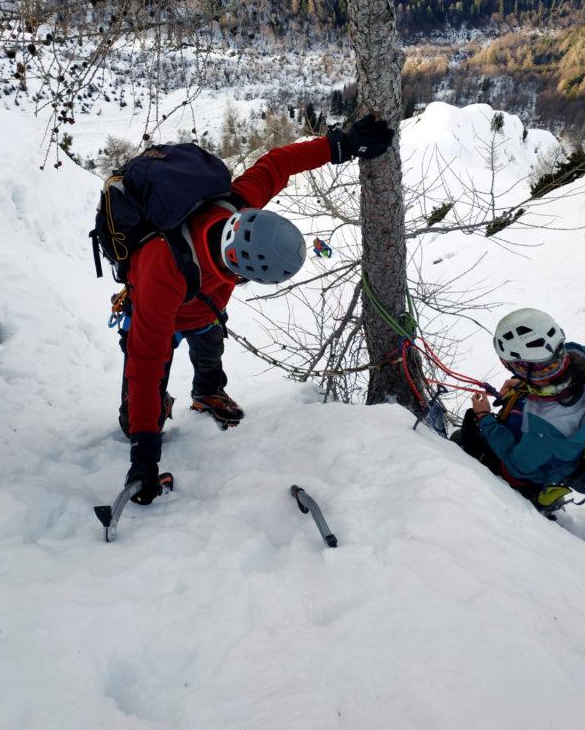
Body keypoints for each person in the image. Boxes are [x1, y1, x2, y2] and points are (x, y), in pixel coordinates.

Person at [121, 115, 393, 504]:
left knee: (210, 350)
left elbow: (278, 164)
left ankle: (208, 392)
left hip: (205, 313)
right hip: (157, 315)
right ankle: (145, 412)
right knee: (140, 404)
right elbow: (145, 360)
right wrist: (144, 456)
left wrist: (342, 146)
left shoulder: (240, 204)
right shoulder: (162, 269)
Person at [452, 308, 585, 508]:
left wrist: (484, 416)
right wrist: (524, 383)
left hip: (544, 462)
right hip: (578, 436)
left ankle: (535, 497)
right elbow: (555, 373)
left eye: (513, 366)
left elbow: (517, 467)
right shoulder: (581, 355)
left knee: (462, 439)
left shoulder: (546, 425)